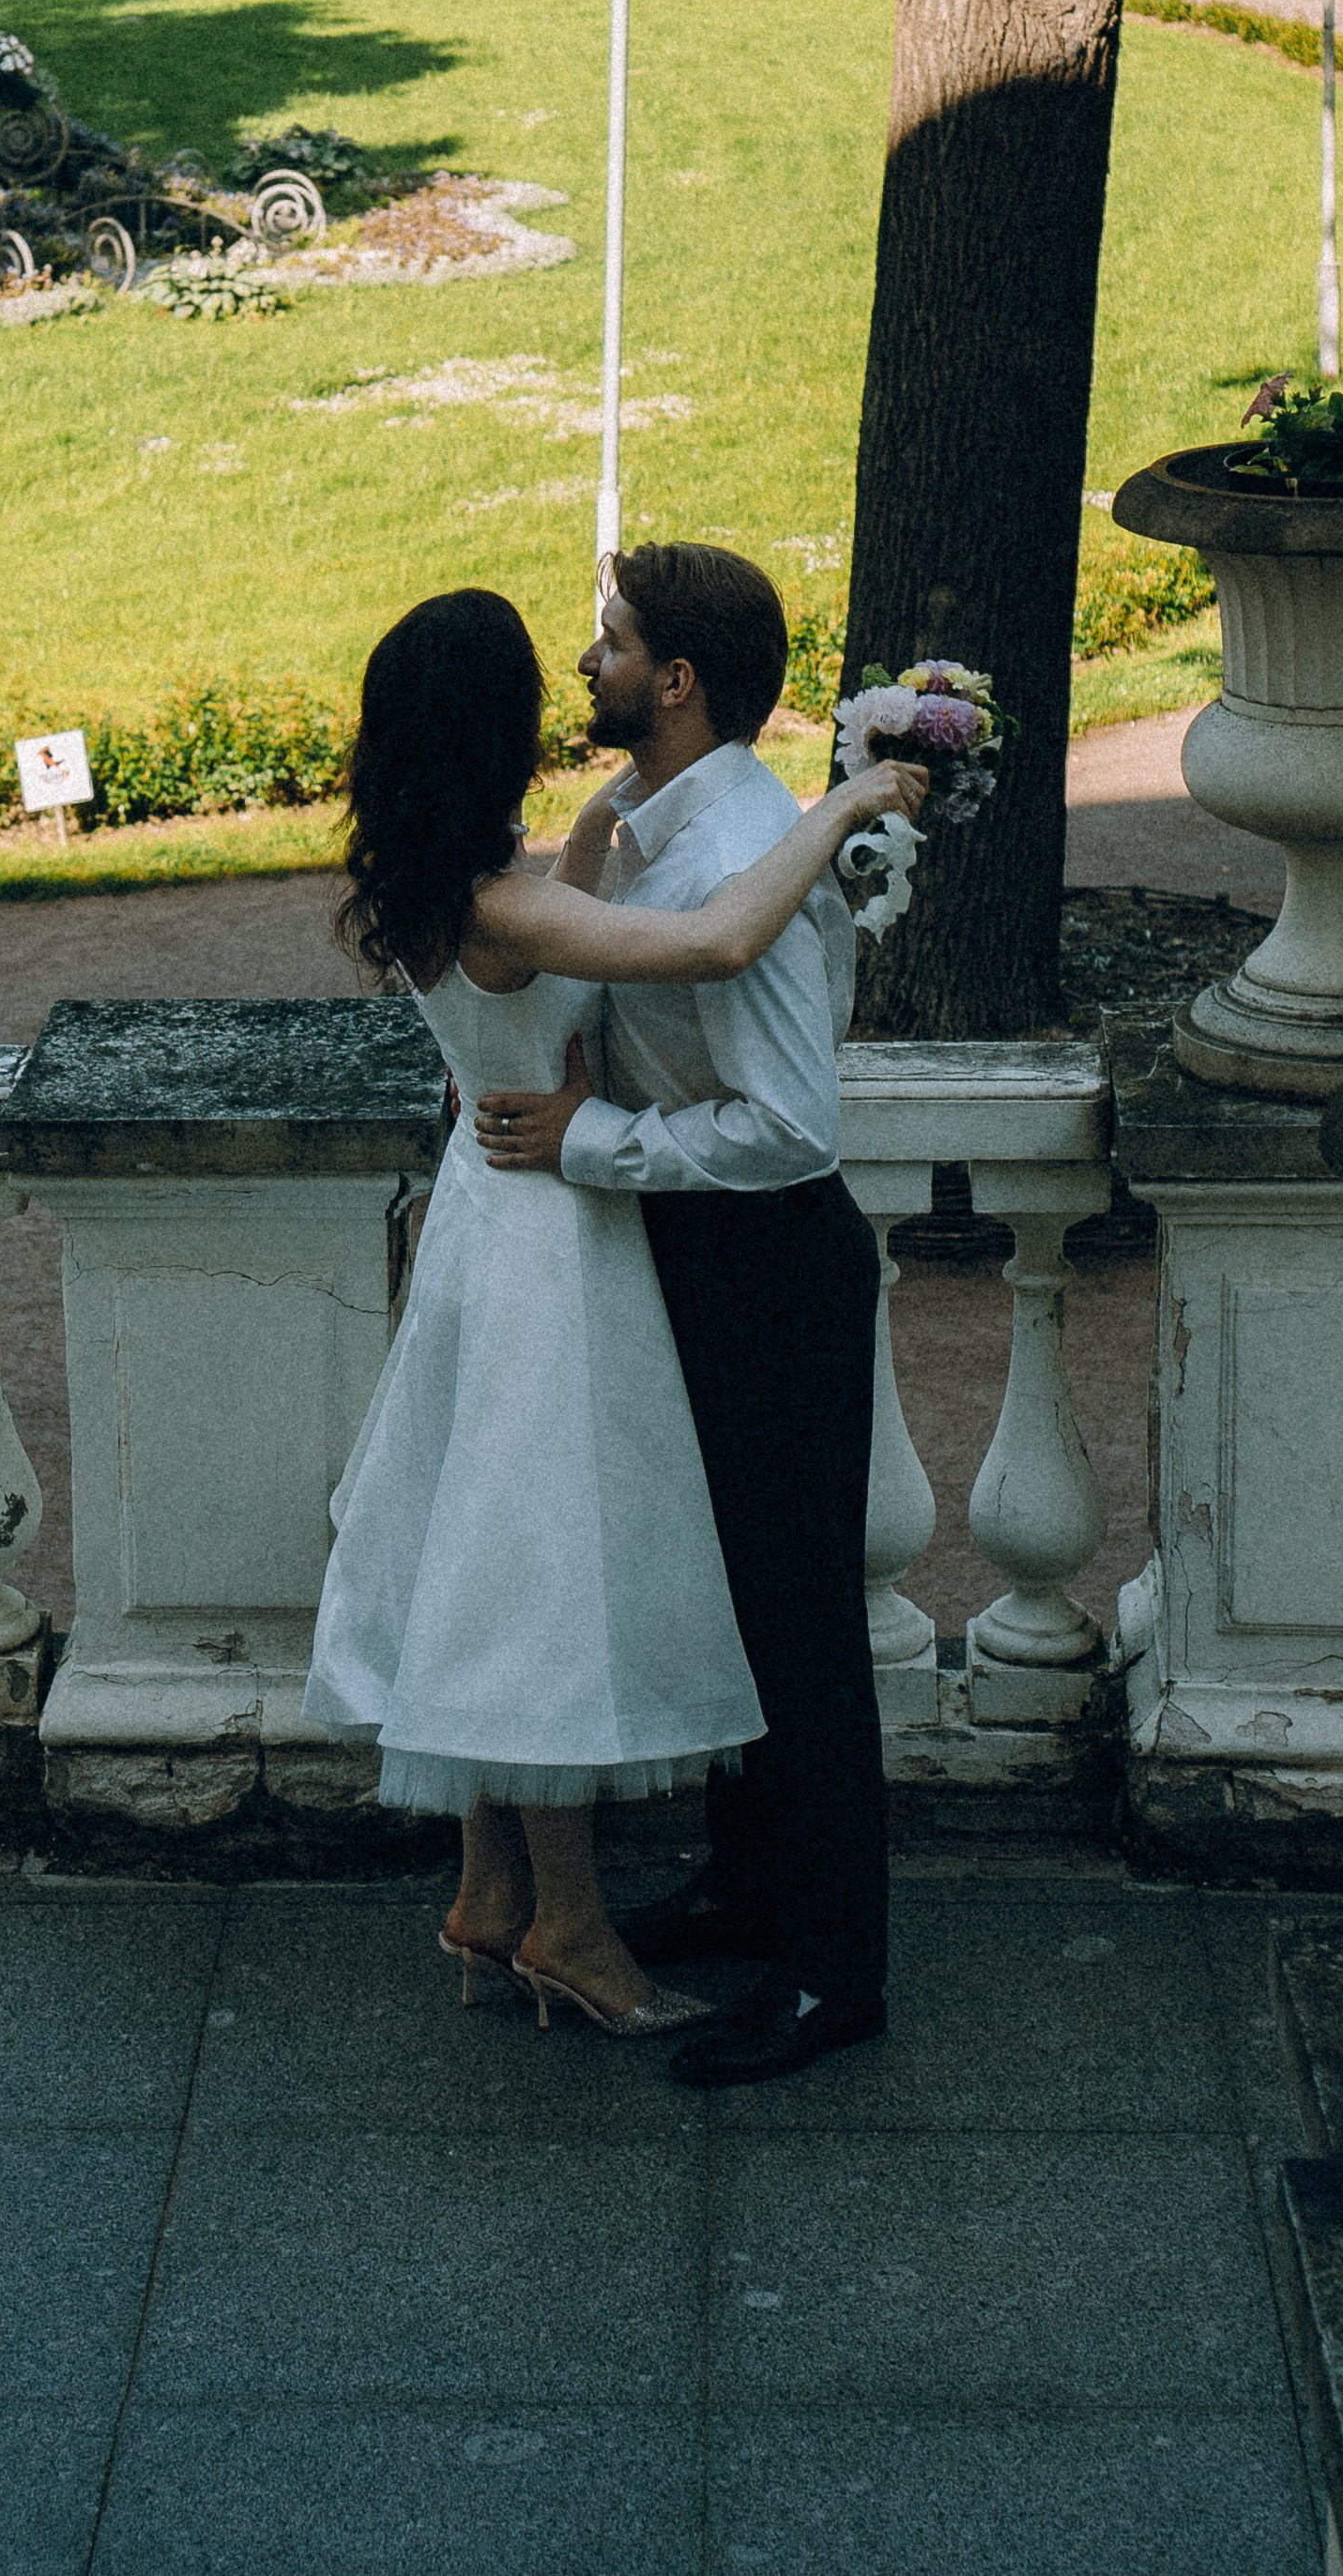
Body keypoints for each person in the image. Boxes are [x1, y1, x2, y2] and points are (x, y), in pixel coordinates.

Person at [306, 587, 923, 2040]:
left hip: (499, 1217)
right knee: (547, 1571)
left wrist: (619, 818)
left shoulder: (442, 874)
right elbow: (712, 946)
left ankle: (520, 1903)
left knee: (500, 1554)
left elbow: (579, 905)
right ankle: (579, 1927)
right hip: (557, 1239)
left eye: (611, 641)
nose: (584, 668)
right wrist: (835, 813)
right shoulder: (510, 902)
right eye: (555, 666)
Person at [474, 541, 897, 2087]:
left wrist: (594, 1147)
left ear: (679, 681)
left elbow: (794, 1123)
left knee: (797, 1625)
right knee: (722, 1595)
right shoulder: (658, 820)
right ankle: (747, 1883)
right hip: (694, 1254)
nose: (587, 664)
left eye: (610, 644)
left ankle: (833, 1971)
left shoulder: (742, 848)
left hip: (770, 1264)